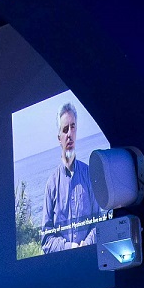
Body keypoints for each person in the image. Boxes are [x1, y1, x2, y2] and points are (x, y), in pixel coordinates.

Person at [40, 102, 102, 252]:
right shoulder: (52, 184)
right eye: (65, 129)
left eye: (72, 127)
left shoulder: (89, 175)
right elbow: (46, 240)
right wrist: (69, 247)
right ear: (59, 137)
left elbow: (99, 223)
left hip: (89, 259)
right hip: (63, 267)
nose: (69, 134)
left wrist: (86, 244)